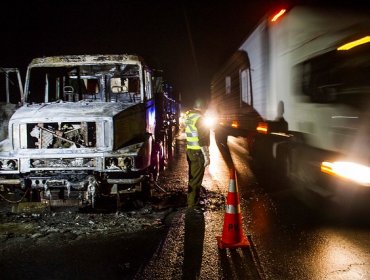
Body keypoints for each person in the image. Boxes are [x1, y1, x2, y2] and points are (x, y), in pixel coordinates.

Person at [185, 101, 210, 211]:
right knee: (196, 179)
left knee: (192, 177)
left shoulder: (189, 117)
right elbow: (202, 138)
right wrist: (206, 155)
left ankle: (191, 200)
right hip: (198, 152)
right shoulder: (200, 119)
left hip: (190, 150)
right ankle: (193, 205)